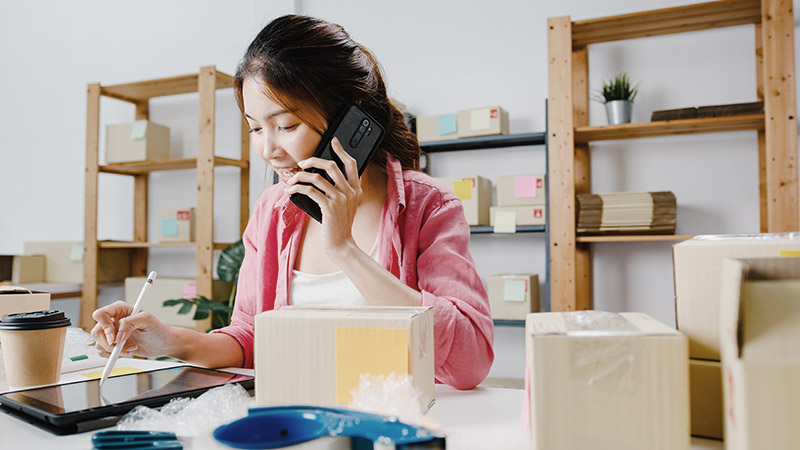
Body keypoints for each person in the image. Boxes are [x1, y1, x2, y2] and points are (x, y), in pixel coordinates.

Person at [92, 14, 493, 390]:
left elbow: (471, 361)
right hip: (293, 416)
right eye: (255, 128)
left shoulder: (428, 206)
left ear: (352, 121)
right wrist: (169, 341)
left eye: (286, 125)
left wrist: (344, 250)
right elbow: (250, 337)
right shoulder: (273, 211)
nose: (268, 149)